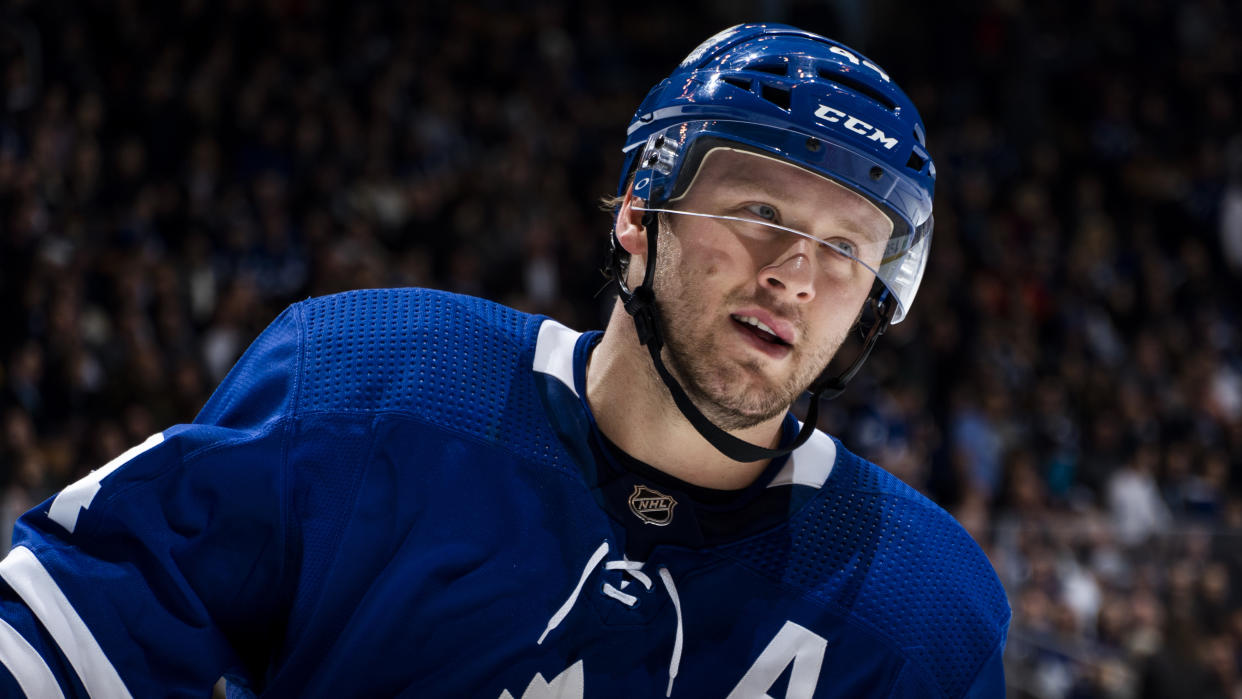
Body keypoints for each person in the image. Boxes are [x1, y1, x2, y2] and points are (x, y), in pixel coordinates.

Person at [0, 23, 1009, 698]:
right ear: (637, 214)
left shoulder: (925, 613)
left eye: (846, 249)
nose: (796, 273)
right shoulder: (368, 386)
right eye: (759, 213)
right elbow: (58, 647)